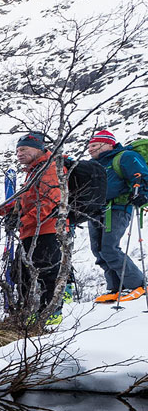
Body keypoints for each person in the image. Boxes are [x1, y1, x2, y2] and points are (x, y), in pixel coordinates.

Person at [0, 132, 66, 325]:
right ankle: (29, 312)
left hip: (48, 230)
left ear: (38, 149)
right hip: (31, 231)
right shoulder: (34, 171)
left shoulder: (49, 169)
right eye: (17, 150)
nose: (19, 154)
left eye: (23, 149)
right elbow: (22, 202)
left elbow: (48, 203)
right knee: (21, 273)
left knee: (46, 272)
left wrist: (21, 221)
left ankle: (51, 311)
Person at [86, 129, 148, 303]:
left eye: (95, 145)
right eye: (89, 146)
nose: (90, 149)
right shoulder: (94, 165)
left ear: (108, 144)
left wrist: (142, 193)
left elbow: (143, 176)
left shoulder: (125, 157)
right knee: (98, 250)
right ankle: (115, 286)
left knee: (109, 247)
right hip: (95, 210)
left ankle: (137, 284)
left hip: (119, 207)